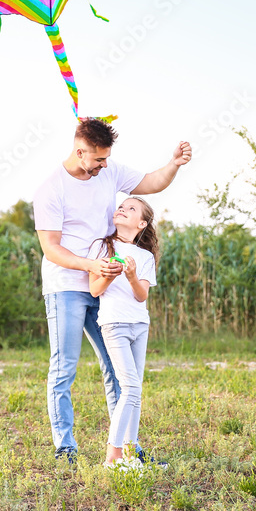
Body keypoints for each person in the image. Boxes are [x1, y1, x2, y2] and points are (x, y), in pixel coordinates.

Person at [33, 117, 191, 464]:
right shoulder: (51, 189)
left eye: (107, 160)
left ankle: (125, 449)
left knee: (118, 371)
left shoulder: (108, 169)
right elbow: (52, 249)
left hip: (107, 289)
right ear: (80, 152)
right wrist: (91, 265)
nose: (105, 167)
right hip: (66, 287)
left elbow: (151, 182)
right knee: (64, 368)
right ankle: (65, 448)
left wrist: (174, 165)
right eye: (99, 160)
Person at [88, 196, 159, 469]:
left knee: (135, 390)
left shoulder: (144, 256)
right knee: (129, 387)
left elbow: (141, 296)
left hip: (139, 325)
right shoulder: (101, 247)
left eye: (131, 208)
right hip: (114, 324)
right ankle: (112, 456)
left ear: (141, 223)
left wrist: (130, 276)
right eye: (122, 206)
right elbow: (95, 290)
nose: (122, 209)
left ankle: (130, 453)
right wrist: (110, 274)